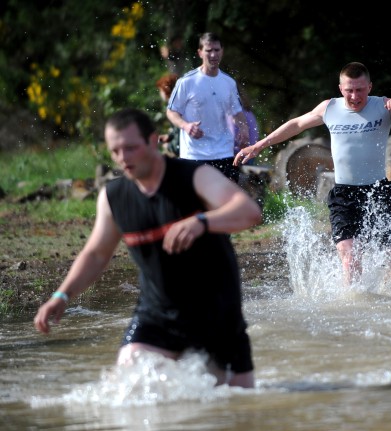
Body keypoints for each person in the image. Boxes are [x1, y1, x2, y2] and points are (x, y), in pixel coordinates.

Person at [33, 108, 262, 388]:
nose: (123, 158)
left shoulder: (194, 176)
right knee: (128, 385)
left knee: (239, 403)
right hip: (157, 315)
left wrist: (201, 221)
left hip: (217, 315)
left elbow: (249, 211)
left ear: (153, 141)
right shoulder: (113, 196)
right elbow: (96, 253)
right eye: (115, 151)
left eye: (130, 148)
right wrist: (62, 295)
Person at [234, 62, 391, 286]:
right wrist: (259, 145)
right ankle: (351, 311)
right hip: (344, 195)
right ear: (341, 89)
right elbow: (296, 124)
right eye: (349, 90)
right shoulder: (329, 108)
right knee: (351, 263)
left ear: (369, 87)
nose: (354, 96)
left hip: (379, 192)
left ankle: (387, 297)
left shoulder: (384, 106)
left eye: (360, 89)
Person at [166, 32, 249, 183]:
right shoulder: (186, 82)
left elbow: (237, 112)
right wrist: (186, 126)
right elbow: (171, 111)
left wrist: (244, 129)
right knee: (195, 204)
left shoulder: (229, 83)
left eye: (216, 50)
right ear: (200, 53)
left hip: (224, 153)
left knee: (227, 202)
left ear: (222, 51)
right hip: (194, 155)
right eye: (208, 50)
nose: (213, 55)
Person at [229, 89, 259, 165]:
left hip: (239, 156)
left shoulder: (235, 114)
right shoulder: (249, 113)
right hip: (250, 154)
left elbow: (231, 138)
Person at [155, 73, 180, 157]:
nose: (160, 93)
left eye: (160, 90)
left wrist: (168, 146)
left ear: (166, 90)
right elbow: (178, 130)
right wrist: (169, 136)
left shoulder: (174, 109)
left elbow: (179, 142)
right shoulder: (180, 104)